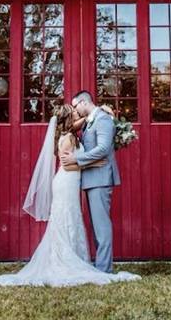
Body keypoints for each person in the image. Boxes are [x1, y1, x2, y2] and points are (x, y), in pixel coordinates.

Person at [0, 99, 138, 288]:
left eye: (77, 111)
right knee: (65, 220)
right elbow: (67, 164)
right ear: (68, 120)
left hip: (73, 183)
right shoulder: (66, 138)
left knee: (71, 220)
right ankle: (63, 260)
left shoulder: (72, 133)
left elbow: (83, 127)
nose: (77, 114)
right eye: (74, 114)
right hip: (66, 183)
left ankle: (75, 258)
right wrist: (93, 162)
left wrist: (101, 111)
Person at [59, 90, 122, 273]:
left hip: (100, 178)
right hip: (91, 178)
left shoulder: (102, 119)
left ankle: (104, 270)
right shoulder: (89, 121)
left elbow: (103, 148)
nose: (76, 110)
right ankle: (101, 266)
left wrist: (77, 160)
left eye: (76, 105)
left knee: (101, 226)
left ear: (84, 102)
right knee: (96, 226)